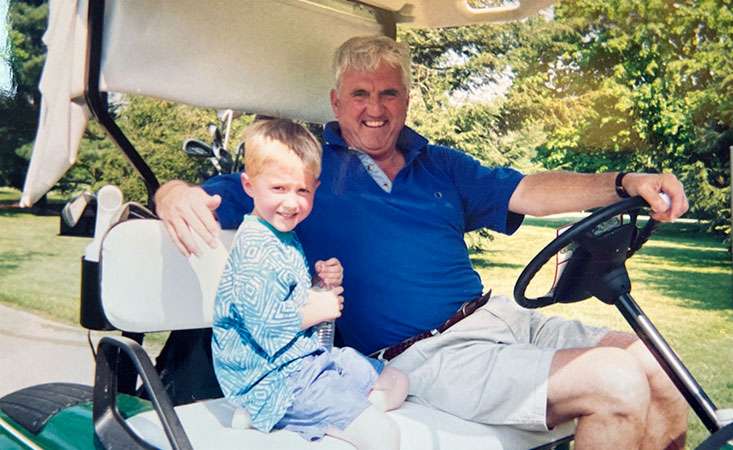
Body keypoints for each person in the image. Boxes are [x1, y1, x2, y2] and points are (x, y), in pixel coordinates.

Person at [155, 35, 690, 450]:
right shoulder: (307, 171)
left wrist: (623, 184)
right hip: (423, 355)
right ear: (336, 101)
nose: (375, 108)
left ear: (406, 99)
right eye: (360, 94)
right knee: (616, 384)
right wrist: (173, 191)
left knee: (660, 367)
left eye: (388, 93)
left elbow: (530, 188)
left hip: (499, 319)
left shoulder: (440, 164)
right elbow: (223, 191)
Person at [211, 118, 408, 449]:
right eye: (278, 189)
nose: (292, 202)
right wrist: (317, 308)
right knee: (385, 437)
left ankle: (324, 414)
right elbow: (267, 325)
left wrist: (320, 284)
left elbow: (289, 297)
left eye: (302, 190)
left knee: (396, 380)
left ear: (315, 187)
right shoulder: (255, 248)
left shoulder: (283, 235)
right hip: (275, 380)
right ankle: (283, 412)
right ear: (249, 186)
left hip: (310, 360)